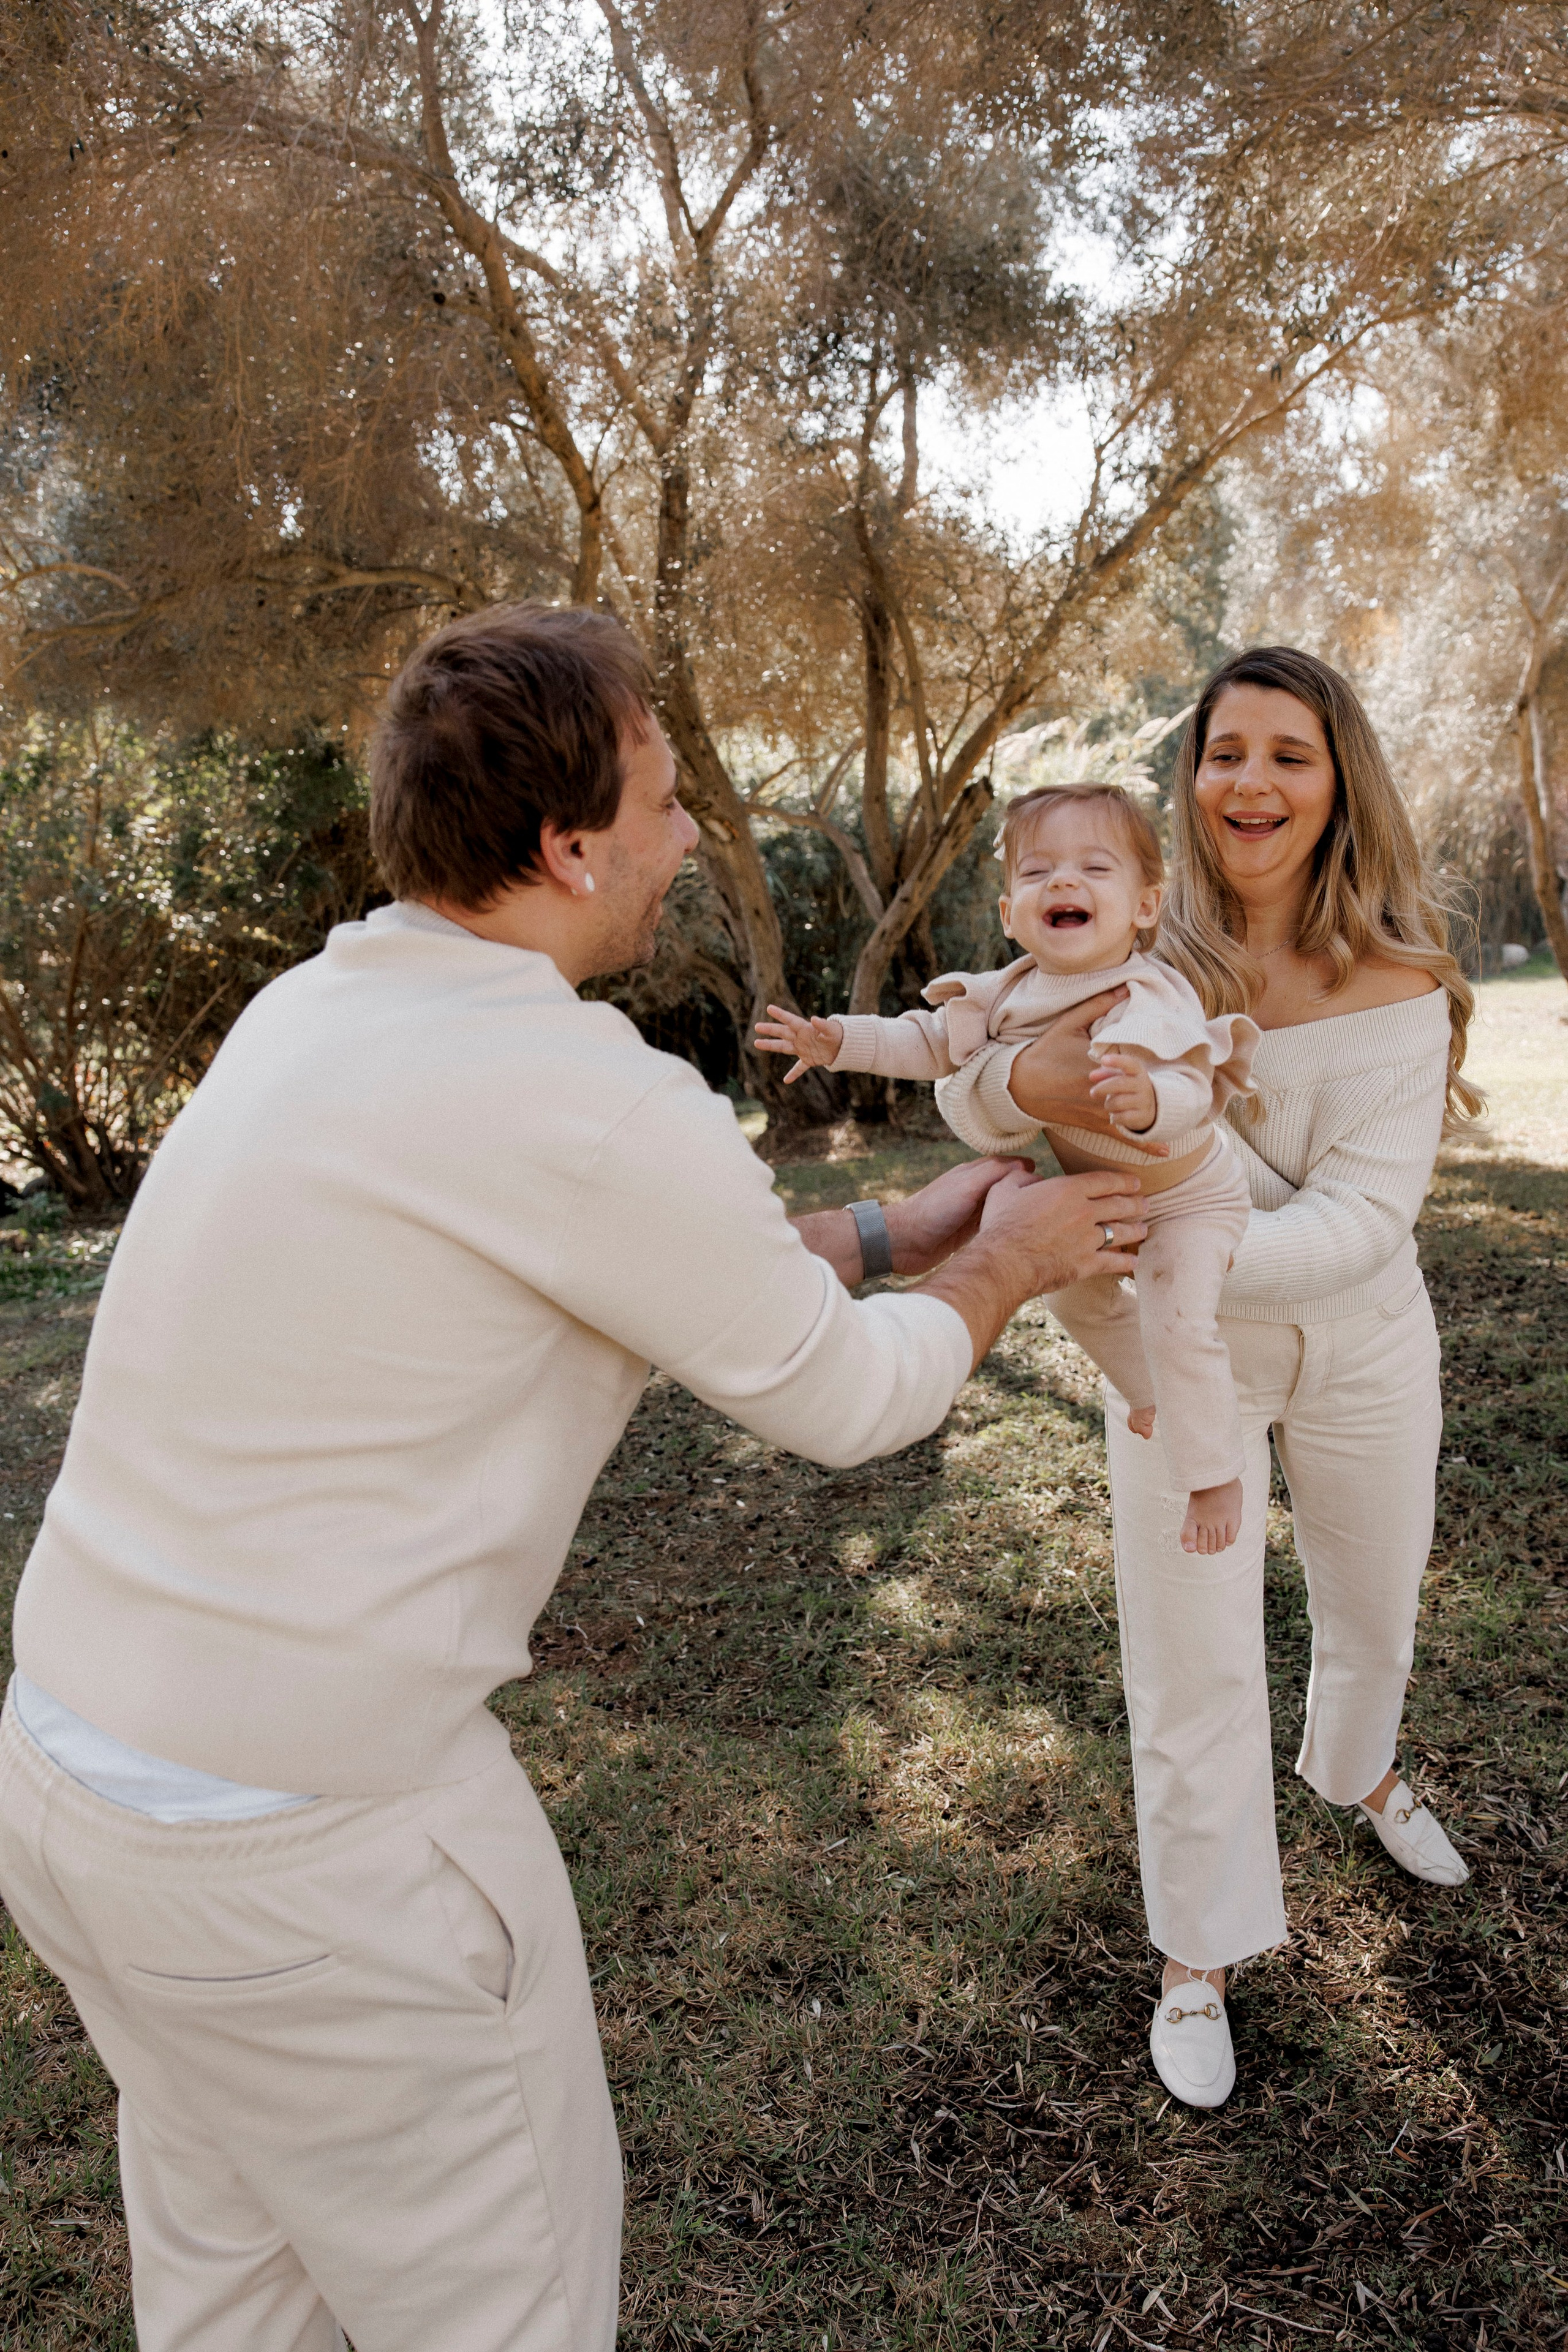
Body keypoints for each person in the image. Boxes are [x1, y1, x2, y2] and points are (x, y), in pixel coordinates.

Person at [0, 603, 1150, 2352]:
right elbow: (847, 1403)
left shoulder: (315, 1011)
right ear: (566, 843)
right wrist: (1002, 1265)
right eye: (668, 798)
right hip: (313, 1858)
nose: (687, 837)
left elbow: (589, 1247)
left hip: (71, 1784)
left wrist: (881, 1226)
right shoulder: (584, 1090)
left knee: (243, 2301)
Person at [989, 646, 1479, 2111]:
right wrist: (1025, 1090)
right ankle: (1195, 1952)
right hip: (1174, 1362)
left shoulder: (1404, 981)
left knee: (1374, 1594)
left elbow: (1355, 1223)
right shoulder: (1124, 956)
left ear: (1337, 785)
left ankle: (1357, 1768)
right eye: (1222, 752)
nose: (1248, 782)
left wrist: (1162, 1240)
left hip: (1360, 1335)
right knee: (1188, 1651)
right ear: (1187, 777)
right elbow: (977, 1068)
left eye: (1286, 754)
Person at [755, 780, 1261, 1555]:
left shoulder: (1151, 992)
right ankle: (1153, 1393)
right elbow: (926, 1042)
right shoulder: (1006, 994)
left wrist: (1149, 1098)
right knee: (1074, 1303)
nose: (1063, 883)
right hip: (1102, 1199)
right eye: (1037, 874)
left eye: (1095, 869)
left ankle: (1213, 1474)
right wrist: (839, 1042)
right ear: (1008, 914)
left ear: (1146, 907)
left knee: (1178, 1317)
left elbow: (1196, 1090)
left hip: (1190, 1196)